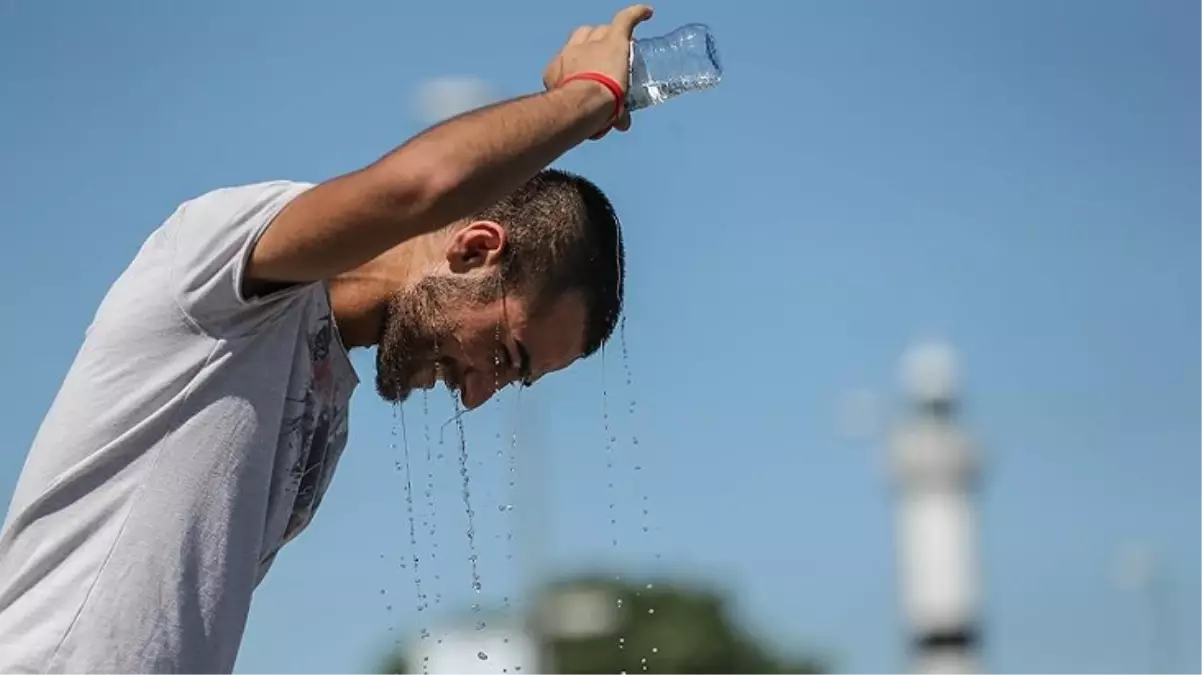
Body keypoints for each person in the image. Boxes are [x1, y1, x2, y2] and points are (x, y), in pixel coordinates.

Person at [0, 5, 654, 673]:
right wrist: (587, 98)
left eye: (513, 378)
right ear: (475, 249)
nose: (480, 393)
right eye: (505, 354)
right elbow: (420, 187)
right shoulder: (223, 266)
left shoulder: (325, 407)